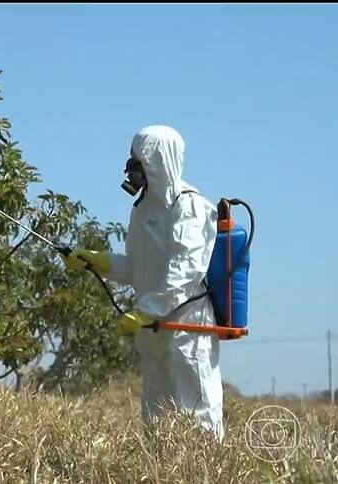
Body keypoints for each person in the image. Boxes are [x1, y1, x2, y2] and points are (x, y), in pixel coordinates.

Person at [64, 125, 224, 441]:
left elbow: (185, 272)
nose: (134, 166)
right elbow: (136, 267)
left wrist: (146, 311)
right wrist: (98, 261)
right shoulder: (142, 208)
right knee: (156, 417)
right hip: (154, 329)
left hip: (187, 328)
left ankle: (206, 471)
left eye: (141, 158)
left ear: (159, 159)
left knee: (197, 411)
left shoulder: (189, 206)